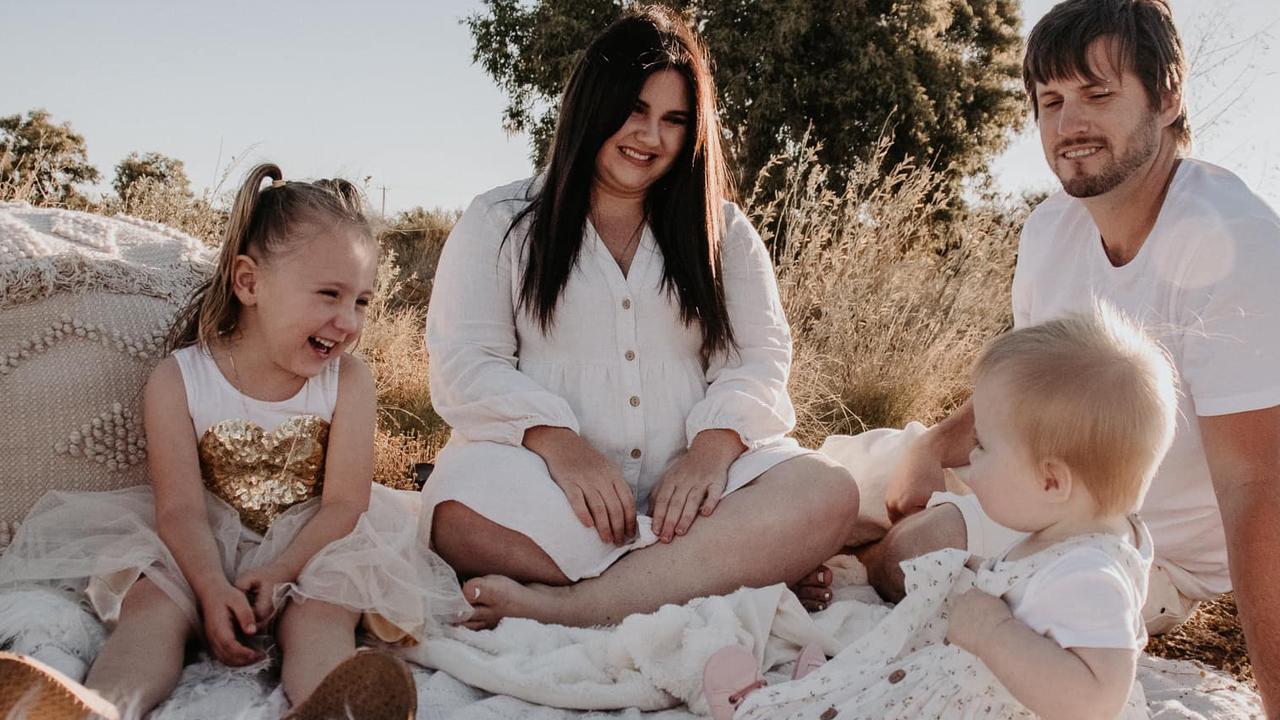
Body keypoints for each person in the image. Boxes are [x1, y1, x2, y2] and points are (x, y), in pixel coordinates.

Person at [855, 0, 1280, 711]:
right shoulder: (1051, 229)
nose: (1069, 124)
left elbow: (1256, 487)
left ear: (1167, 97)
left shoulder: (1237, 246)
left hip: (1138, 540)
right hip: (1043, 482)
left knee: (911, 552)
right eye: (1051, 101)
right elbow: (1036, 386)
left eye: (1098, 94)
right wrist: (934, 444)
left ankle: (851, 569)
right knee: (832, 491)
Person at [422, 5, 859, 630]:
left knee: (828, 493)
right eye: (635, 110)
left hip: (705, 497)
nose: (650, 137)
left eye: (674, 120)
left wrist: (711, 453)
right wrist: (562, 448)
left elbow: (759, 361)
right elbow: (466, 364)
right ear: (593, 105)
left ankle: (582, 601)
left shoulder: (725, 232)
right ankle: (723, 567)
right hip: (551, 492)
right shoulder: (499, 221)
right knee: (455, 515)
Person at [0, 164, 470, 719]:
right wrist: (207, 587)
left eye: (362, 301)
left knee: (323, 611)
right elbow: (177, 509)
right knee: (151, 606)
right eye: (329, 294)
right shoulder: (179, 380)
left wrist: (281, 571)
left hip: (316, 540)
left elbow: (346, 503)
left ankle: (329, 705)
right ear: (249, 282)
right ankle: (98, 706)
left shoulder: (348, 381)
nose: (348, 321)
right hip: (203, 540)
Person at [706, 307, 1175, 720]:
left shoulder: (1092, 575)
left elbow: (1097, 703)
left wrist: (993, 631)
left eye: (984, 447)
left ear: (1051, 481)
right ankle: (833, 689)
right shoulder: (1065, 533)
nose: (969, 460)